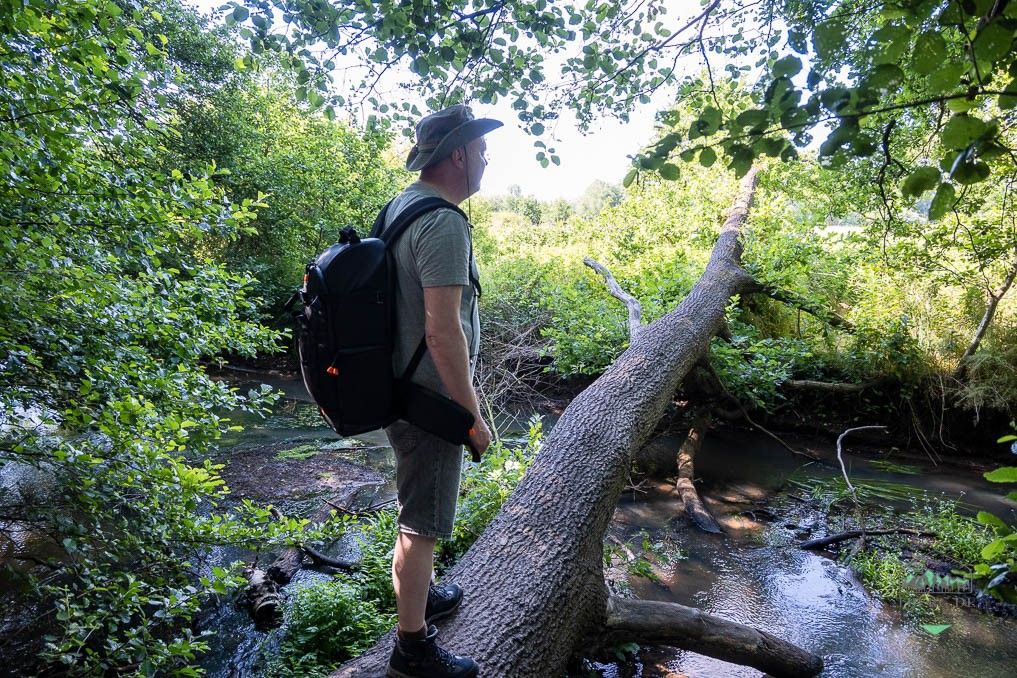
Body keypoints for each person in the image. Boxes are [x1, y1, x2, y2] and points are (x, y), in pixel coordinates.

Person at [381, 104, 500, 678]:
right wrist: (469, 416)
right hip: (430, 402)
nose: (486, 160)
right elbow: (442, 332)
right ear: (458, 154)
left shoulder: (401, 206)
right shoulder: (444, 222)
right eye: (481, 151)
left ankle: (421, 596)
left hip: (399, 390)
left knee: (416, 508)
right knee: (422, 523)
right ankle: (412, 650)